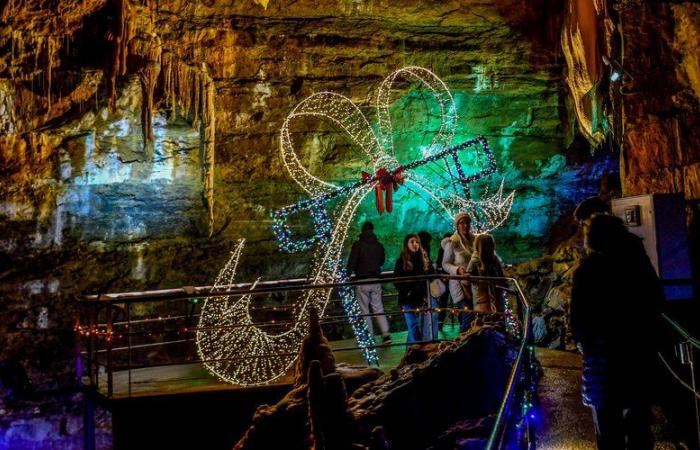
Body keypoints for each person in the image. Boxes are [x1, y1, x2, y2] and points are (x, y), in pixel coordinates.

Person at [570, 214, 664, 450]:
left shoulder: (587, 271)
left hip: (603, 357)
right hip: (637, 350)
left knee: (607, 424)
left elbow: (579, 317)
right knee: (638, 419)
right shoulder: (636, 265)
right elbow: (656, 299)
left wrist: (585, 344)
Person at [347, 221, 391, 344]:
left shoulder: (358, 245)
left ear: (362, 230)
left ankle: (369, 336)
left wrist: (347, 274)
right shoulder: (379, 245)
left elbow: (352, 262)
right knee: (378, 307)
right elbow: (382, 261)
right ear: (372, 230)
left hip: (362, 281)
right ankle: (386, 334)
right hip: (375, 280)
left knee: (364, 310)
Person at [393, 234, 433, 344]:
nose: (415, 244)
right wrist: (408, 290)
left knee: (418, 328)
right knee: (413, 326)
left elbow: (431, 274)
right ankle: (415, 353)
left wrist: (426, 259)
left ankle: (412, 353)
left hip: (420, 298)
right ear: (407, 244)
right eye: (412, 242)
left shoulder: (422, 259)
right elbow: (396, 280)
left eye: (417, 242)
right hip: (407, 299)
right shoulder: (401, 260)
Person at [442, 212, 476, 332]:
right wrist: (457, 269)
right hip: (459, 285)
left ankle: (470, 342)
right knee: (468, 313)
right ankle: (464, 343)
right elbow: (445, 264)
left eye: (467, 222)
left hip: (473, 283)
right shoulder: (452, 243)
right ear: (457, 225)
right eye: (462, 223)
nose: (465, 225)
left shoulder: (475, 241)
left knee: (472, 315)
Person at [466, 234, 505, 314]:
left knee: (496, 319)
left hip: (495, 297)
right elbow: (468, 279)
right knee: (484, 320)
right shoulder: (475, 261)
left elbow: (501, 277)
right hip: (481, 298)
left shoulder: (494, 259)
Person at [436, 232, 453, 332]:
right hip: (450, 279)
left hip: (447, 279)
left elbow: (438, 264)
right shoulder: (446, 249)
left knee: (443, 302)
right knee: (453, 301)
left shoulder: (441, 250)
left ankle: (440, 323)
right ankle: (440, 323)